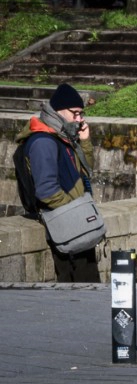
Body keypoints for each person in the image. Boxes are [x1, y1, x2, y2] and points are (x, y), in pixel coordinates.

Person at [13, 83, 99, 283]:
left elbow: (85, 172)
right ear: (59, 111)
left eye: (81, 114)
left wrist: (84, 141)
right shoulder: (43, 142)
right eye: (75, 113)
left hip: (76, 226)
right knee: (80, 291)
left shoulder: (63, 136)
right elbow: (47, 191)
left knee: (89, 289)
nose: (80, 119)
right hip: (65, 227)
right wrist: (75, 209)